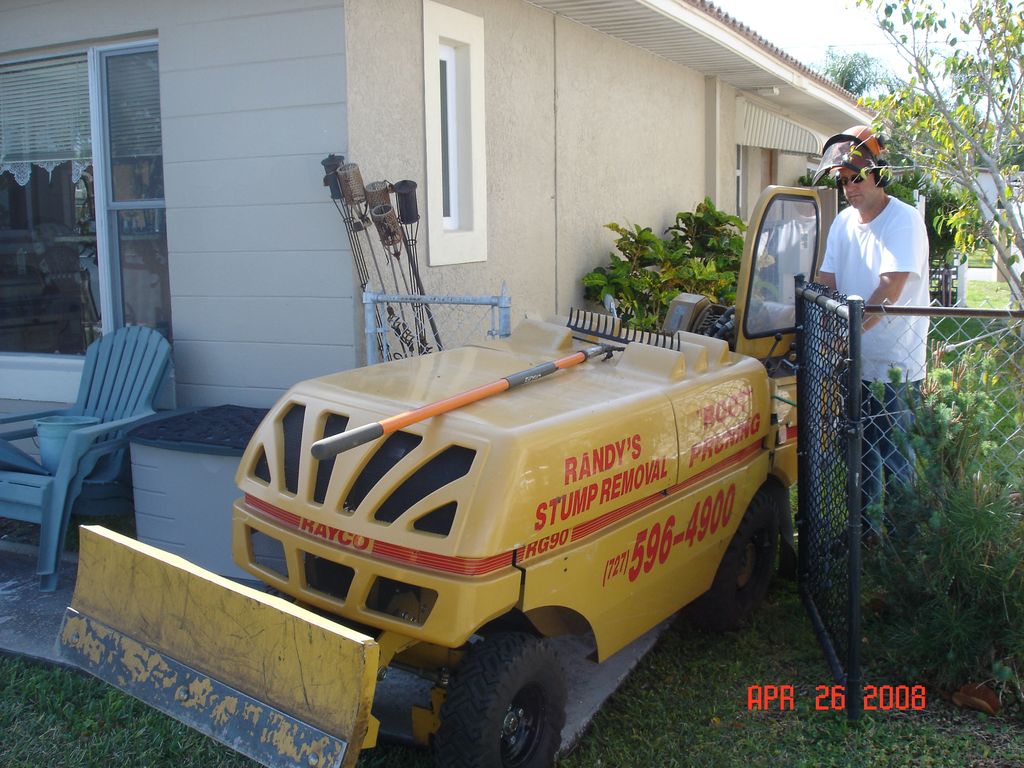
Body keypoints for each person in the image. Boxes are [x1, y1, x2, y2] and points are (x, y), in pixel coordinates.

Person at [811, 125, 930, 528]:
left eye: (856, 177)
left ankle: (902, 544)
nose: (849, 187)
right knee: (859, 452)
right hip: (852, 359)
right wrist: (820, 324)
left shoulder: (903, 220)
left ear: (878, 173)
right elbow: (825, 279)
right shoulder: (844, 223)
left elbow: (889, 288)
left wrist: (844, 332)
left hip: (894, 364)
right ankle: (866, 534)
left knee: (895, 452)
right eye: (843, 181)